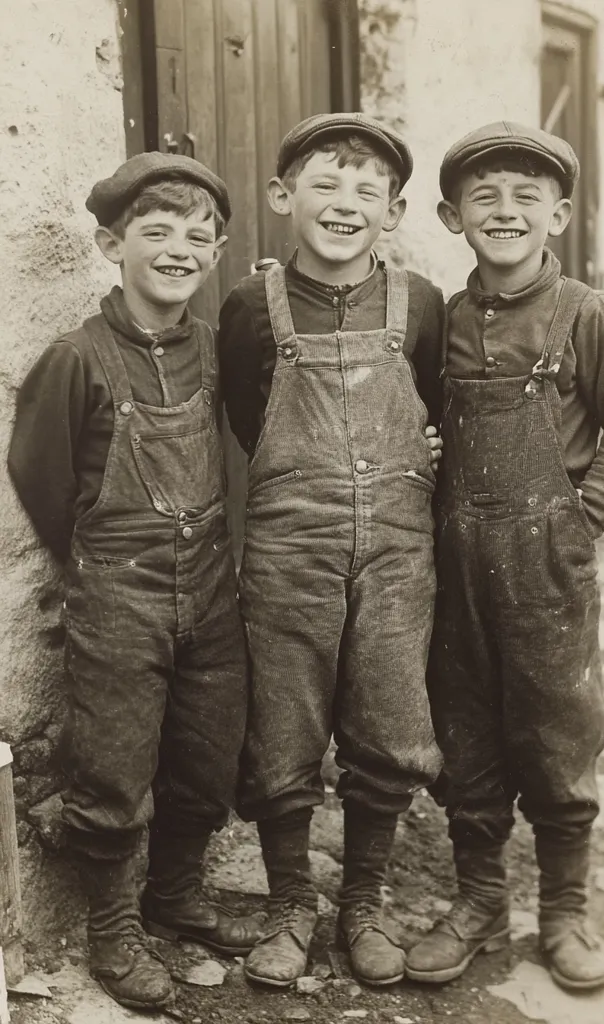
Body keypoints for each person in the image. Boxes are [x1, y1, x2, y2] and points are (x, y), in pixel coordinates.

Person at [405, 121, 604, 993]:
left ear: (557, 214)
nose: (504, 211)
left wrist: (576, 526)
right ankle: (479, 902)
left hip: (548, 567)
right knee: (465, 732)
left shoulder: (588, 312)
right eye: (484, 197)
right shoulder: (441, 317)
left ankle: (564, 909)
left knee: (558, 734)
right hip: (459, 564)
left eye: (525, 197)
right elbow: (427, 421)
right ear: (452, 217)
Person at [8, 153, 262, 1011]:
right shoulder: (76, 359)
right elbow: (39, 477)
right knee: (115, 767)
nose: (179, 249)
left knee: (208, 750)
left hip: (213, 591)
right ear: (114, 244)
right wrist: (102, 569)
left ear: (218, 251)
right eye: (157, 232)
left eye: (199, 236)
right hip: (120, 594)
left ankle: (176, 894)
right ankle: (114, 928)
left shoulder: (217, 349)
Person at [218, 112, 444, 989]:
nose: (345, 203)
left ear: (391, 210)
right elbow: (248, 415)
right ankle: (289, 903)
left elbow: (435, 407)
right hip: (288, 545)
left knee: (388, 721)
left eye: (367, 190)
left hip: (397, 547)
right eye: (325, 182)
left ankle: (362, 899)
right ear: (285, 196)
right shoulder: (249, 306)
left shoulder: (419, 302)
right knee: (284, 724)